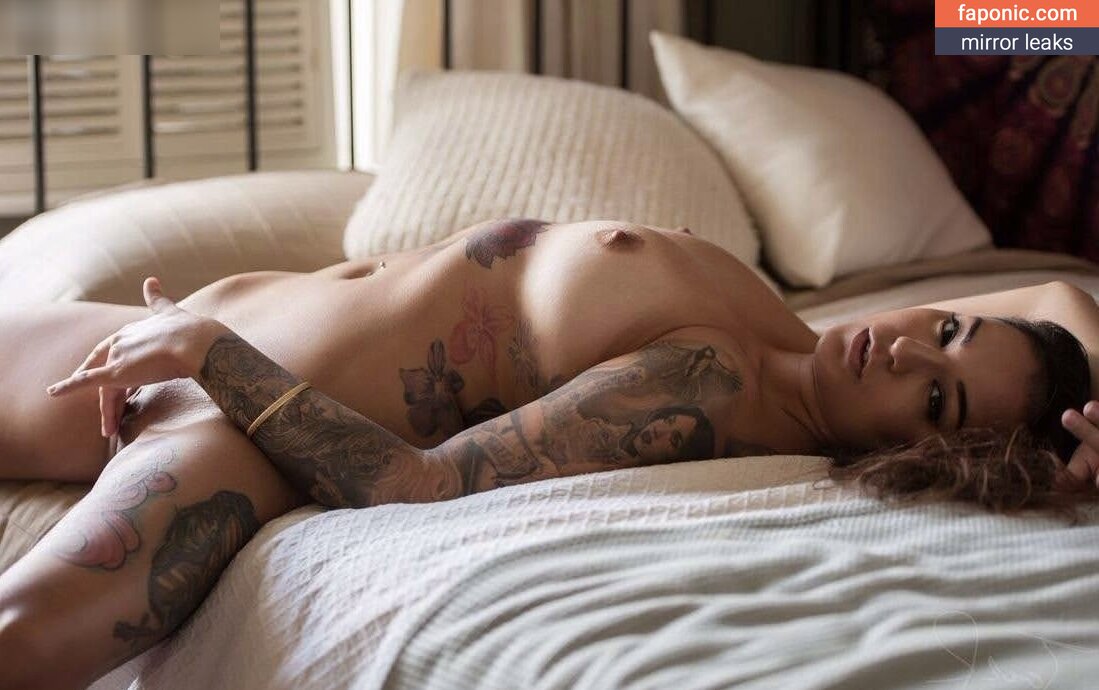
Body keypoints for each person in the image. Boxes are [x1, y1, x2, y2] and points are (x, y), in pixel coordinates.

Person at [0, 218, 1097, 688]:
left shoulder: (705, 386)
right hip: (169, 325)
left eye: (935, 398)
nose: (906, 349)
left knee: (24, 638)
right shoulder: (798, 335)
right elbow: (1056, 292)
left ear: (931, 456)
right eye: (945, 326)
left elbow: (417, 483)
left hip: (230, 407)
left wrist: (213, 355)